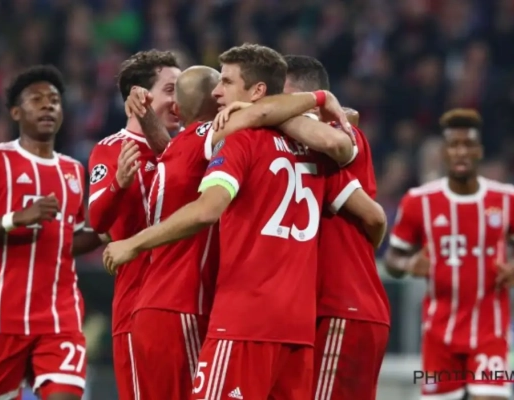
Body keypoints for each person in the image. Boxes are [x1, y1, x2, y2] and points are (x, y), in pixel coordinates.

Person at [104, 43, 387, 400]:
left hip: (243, 318)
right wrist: (314, 102)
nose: (217, 92)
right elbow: (367, 198)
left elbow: (207, 209)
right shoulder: (319, 150)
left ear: (257, 92)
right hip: (298, 328)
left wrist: (133, 243)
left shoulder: (240, 139)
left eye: (226, 82)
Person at [0, 65, 106, 400]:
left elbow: (68, 242)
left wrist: (108, 231)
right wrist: (15, 219)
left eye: (54, 100)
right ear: (16, 112)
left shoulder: (73, 170)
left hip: (60, 318)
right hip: (2, 319)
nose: (48, 105)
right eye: (36, 99)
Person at [384, 109, 514, 400]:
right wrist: (408, 263)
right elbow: (392, 258)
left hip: (490, 333)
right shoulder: (419, 201)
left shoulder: (506, 199)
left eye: (468, 145)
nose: (461, 152)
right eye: (454, 145)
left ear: (479, 151)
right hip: (438, 335)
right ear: (444, 152)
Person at [283, 55, 391, 400]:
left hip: (343, 308)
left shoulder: (334, 143)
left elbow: (375, 217)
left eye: (281, 98)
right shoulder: (309, 148)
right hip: (333, 308)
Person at [87, 49, 181, 400]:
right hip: (137, 303)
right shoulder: (111, 149)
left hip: (191, 301)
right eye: (170, 90)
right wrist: (118, 184)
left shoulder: (188, 146)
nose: (179, 100)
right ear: (140, 96)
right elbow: (98, 220)